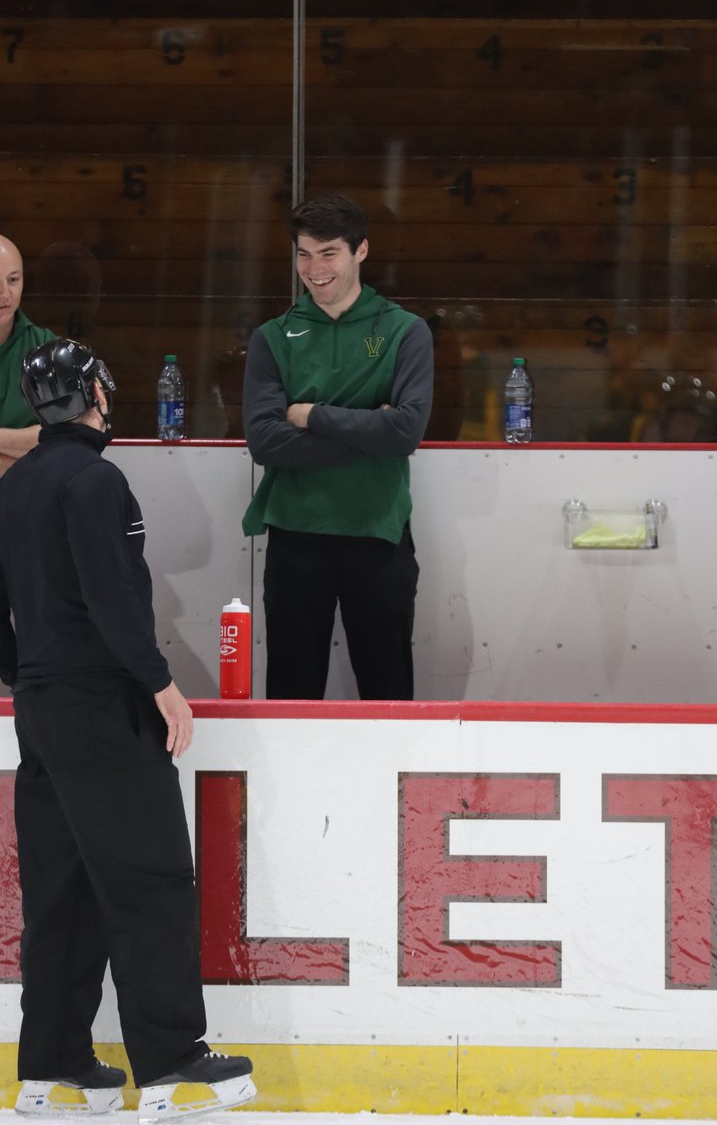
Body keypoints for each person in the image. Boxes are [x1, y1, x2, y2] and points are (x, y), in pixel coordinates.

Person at [0, 339, 255, 1121]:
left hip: (42, 711)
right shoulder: (97, 480)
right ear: (96, 396)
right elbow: (114, 600)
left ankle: (52, 1064)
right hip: (105, 705)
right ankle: (174, 1060)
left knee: (64, 888)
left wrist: (24, 679)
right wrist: (160, 685)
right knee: (150, 880)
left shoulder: (13, 487)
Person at [242, 193, 434, 699]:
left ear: (360, 251)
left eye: (328, 253)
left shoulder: (403, 332)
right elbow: (264, 440)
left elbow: (406, 431)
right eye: (303, 254)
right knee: (291, 690)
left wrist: (311, 416)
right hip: (295, 537)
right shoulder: (273, 337)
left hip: (378, 533)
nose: (314, 268)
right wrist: (371, 432)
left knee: (387, 689)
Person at [0, 235, 55, 475]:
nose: (4, 293)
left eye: (13, 280)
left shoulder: (47, 348)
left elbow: (65, 436)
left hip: (29, 500)